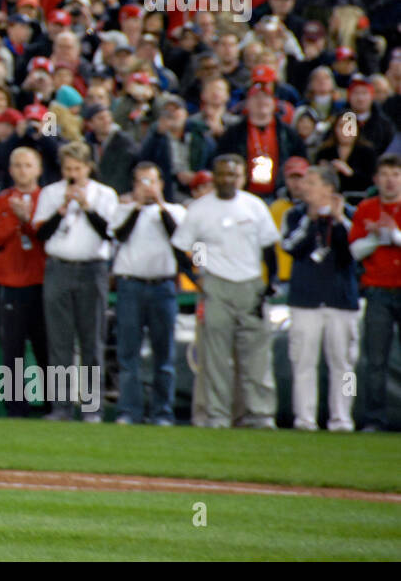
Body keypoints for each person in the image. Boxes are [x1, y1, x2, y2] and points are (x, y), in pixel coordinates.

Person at [170, 154, 281, 428]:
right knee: (215, 358)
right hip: (216, 283)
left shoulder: (254, 206)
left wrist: (269, 285)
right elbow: (179, 247)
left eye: (233, 175)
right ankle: (216, 415)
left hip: (251, 282)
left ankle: (260, 415)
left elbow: (269, 248)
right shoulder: (199, 209)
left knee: (256, 356)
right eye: (222, 174)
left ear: (242, 177)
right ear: (214, 176)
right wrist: (197, 280)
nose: (227, 180)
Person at [33, 140, 119, 421]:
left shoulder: (105, 194)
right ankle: (61, 407)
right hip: (58, 267)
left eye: (78, 168)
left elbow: (109, 233)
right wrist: (62, 208)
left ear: (88, 167)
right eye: (68, 168)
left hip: (93, 268)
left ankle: (92, 407)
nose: (73, 173)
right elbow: (41, 234)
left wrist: (87, 206)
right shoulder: (50, 193)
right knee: (60, 342)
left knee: (91, 340)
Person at [281, 164, 357, 432]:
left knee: (345, 365)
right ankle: (304, 419)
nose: (304, 187)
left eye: (312, 183)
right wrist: (310, 221)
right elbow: (289, 246)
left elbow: (358, 251)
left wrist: (338, 220)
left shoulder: (350, 214)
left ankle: (342, 418)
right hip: (306, 299)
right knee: (302, 362)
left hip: (341, 300)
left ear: (329, 187)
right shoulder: (295, 215)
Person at [109, 163, 187, 425]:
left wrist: (161, 205)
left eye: (152, 181)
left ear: (161, 184)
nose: (147, 187)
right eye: (142, 181)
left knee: (163, 354)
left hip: (163, 286)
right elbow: (120, 236)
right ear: (133, 185)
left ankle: (162, 412)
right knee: (128, 353)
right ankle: (129, 411)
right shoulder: (123, 210)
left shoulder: (176, 211)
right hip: (131, 285)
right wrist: (138, 206)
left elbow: (179, 239)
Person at [0, 146, 48, 417]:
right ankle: (14, 408)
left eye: (28, 165)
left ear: (38, 169)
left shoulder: (49, 198)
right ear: (10, 170)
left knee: (48, 348)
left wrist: (26, 220)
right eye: (17, 165)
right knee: (12, 350)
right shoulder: (0, 200)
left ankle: (54, 406)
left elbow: (50, 236)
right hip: (9, 283)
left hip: (43, 282)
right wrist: (15, 222)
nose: (22, 170)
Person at [347, 152, 401, 431]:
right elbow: (355, 250)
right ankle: (374, 419)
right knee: (375, 359)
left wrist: (392, 235)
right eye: (385, 175)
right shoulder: (367, 208)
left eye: (395, 175)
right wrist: (378, 237)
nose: (390, 181)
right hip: (378, 289)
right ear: (376, 179)